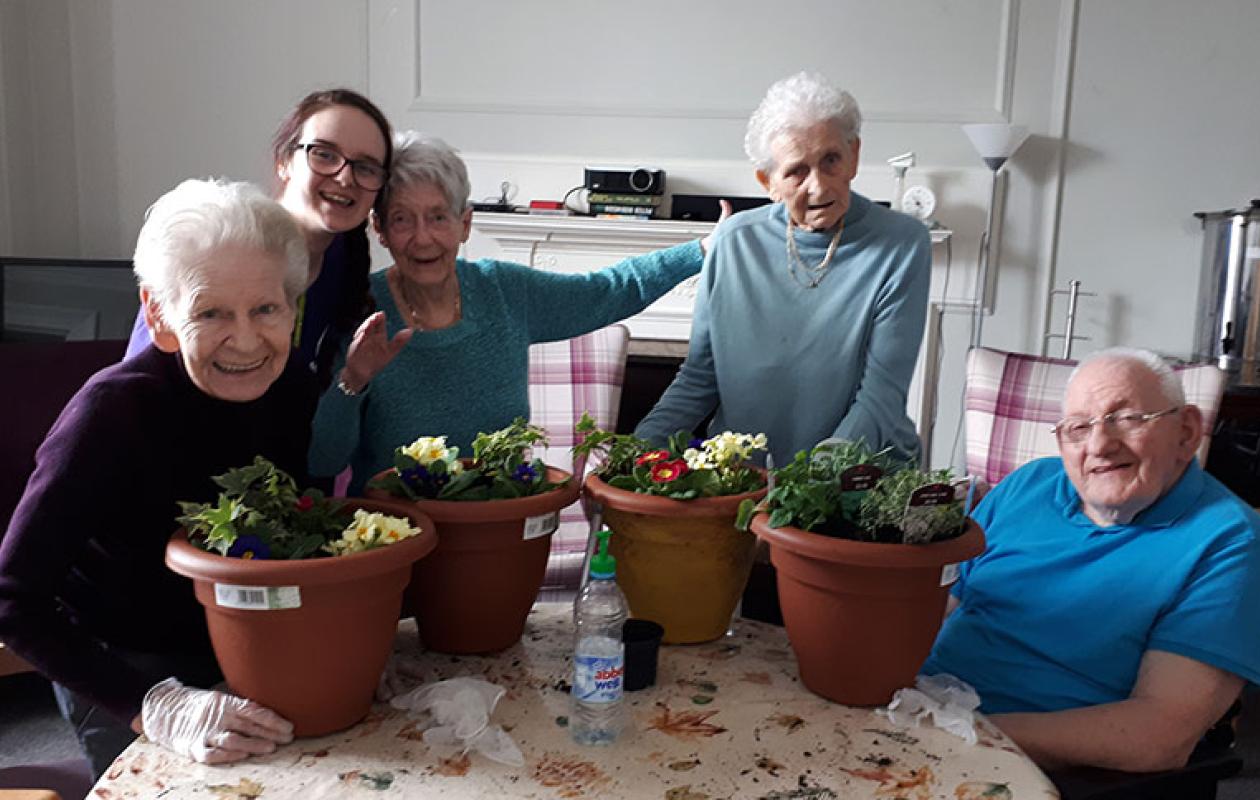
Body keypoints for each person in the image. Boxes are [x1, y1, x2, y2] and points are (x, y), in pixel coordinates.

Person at [0, 179, 315, 777]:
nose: (245, 340)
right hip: (119, 664)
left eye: (266, 308)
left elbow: (282, 523)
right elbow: (13, 597)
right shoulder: (110, 413)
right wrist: (151, 703)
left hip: (238, 644)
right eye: (210, 312)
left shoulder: (291, 384)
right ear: (158, 314)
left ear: (292, 307)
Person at [308, 131, 722, 495]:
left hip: (497, 528)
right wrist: (354, 380)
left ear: (465, 223)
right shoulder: (363, 311)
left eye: (438, 217)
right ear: (379, 228)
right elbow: (323, 461)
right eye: (402, 219)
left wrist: (701, 250)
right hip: (397, 539)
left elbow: (607, 290)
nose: (422, 238)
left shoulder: (504, 292)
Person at [924, 348, 1260, 772]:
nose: (1100, 445)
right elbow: (935, 608)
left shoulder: (1228, 542)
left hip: (1025, 766)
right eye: (1079, 427)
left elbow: (1159, 735)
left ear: (1187, 431)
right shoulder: (1028, 485)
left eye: (1127, 418)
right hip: (914, 716)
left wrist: (961, 733)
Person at [634, 72, 931, 466]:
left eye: (831, 161)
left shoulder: (901, 242)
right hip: (744, 477)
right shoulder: (734, 241)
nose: (819, 187)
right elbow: (700, 378)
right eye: (796, 171)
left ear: (854, 155)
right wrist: (633, 450)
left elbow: (881, 396)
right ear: (767, 181)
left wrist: (803, 488)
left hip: (860, 478)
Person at [124, 89, 393, 385]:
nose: (344, 177)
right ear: (284, 161)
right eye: (324, 154)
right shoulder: (221, 246)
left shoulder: (343, 261)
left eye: (365, 167)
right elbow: (141, 385)